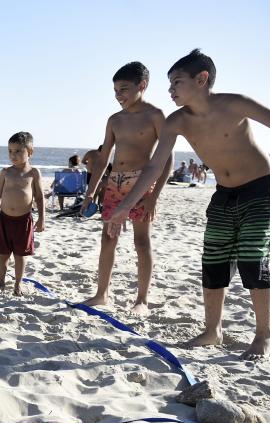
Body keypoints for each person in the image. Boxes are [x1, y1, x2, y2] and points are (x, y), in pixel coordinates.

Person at [107, 49, 270, 358]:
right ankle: (212, 331)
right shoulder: (176, 121)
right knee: (214, 260)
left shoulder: (235, 103)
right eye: (169, 84)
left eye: (176, 82)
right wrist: (127, 204)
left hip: (260, 188)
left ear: (202, 79)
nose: (170, 90)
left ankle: (265, 335)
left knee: (252, 258)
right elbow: (155, 166)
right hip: (223, 192)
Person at [79, 61, 174, 316]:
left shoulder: (155, 115)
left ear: (142, 85)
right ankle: (102, 294)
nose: (118, 96)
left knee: (141, 241)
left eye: (123, 89)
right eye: (115, 91)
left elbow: (167, 158)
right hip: (115, 183)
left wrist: (154, 196)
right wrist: (91, 191)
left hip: (142, 185)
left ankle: (141, 299)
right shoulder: (114, 120)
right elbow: (103, 158)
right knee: (108, 237)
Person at [0, 132, 45, 295]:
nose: (13, 155)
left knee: (20, 255)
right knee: (3, 254)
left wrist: (42, 218)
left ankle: (18, 284)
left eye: (18, 151)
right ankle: (1, 282)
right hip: (5, 220)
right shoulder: (5, 172)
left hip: (23, 221)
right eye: (10, 151)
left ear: (30, 152)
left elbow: (40, 197)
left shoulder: (33, 173)